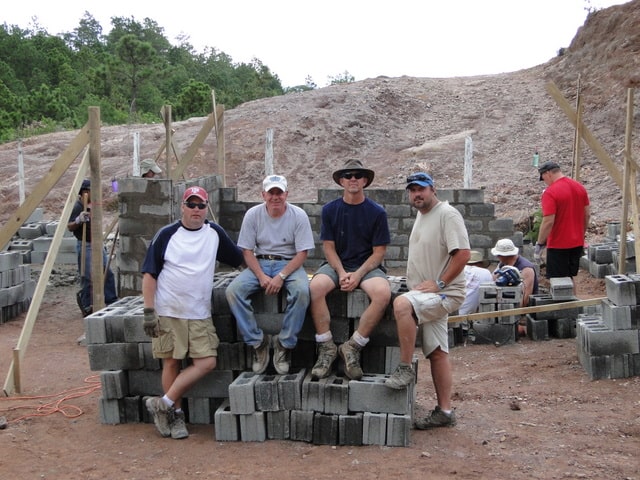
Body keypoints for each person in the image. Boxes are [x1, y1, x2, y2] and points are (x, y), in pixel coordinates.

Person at [141, 185, 243, 440]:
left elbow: (239, 259)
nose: (196, 210)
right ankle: (175, 417)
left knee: (207, 362)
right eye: (191, 204)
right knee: (171, 361)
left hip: (199, 311)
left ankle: (161, 404)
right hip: (169, 309)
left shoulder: (214, 233)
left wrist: (267, 271)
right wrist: (148, 311)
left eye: (201, 205)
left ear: (206, 208)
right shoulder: (167, 235)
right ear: (182, 207)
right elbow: (149, 273)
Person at [385, 172, 470, 431]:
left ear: (433, 189)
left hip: (443, 293)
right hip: (427, 294)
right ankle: (445, 411)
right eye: (412, 190)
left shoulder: (447, 214)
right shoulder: (422, 216)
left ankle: (405, 368)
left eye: (421, 189)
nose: (416, 194)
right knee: (437, 352)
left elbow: (463, 254)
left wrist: (440, 282)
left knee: (401, 305)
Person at [309, 159, 391, 381]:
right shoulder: (330, 210)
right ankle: (326, 347)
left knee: (383, 294)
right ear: (341, 181)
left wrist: (357, 275)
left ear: (365, 180)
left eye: (357, 175)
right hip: (338, 264)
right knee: (315, 287)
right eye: (348, 175)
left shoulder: (376, 213)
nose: (352, 179)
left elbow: (378, 253)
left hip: (366, 266)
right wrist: (342, 272)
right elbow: (328, 247)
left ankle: (353, 346)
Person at [225, 174, 315, 375]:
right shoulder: (253, 215)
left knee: (302, 291)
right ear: (263, 194)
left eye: (279, 193)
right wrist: (261, 276)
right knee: (233, 291)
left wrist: (281, 276)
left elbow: (302, 253)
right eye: (271, 193)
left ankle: (284, 344)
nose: (276, 197)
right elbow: (247, 250)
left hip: (289, 263)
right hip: (261, 262)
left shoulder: (298, 215)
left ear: (287, 194)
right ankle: (258, 343)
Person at [535, 161, 590, 292]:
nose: (545, 182)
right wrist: (581, 235)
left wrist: (540, 243)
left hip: (559, 244)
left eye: (543, 179)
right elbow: (587, 215)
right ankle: (574, 308)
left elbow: (548, 221)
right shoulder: (579, 187)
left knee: (559, 282)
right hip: (576, 242)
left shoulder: (550, 192)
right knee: (570, 278)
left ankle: (565, 310)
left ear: (547, 174)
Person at [67, 179, 118, 316]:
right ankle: (86, 304)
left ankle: (111, 301)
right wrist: (78, 220)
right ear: (85, 192)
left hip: (97, 243)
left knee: (107, 272)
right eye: (91, 190)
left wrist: (115, 187)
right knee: (87, 276)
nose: (95, 193)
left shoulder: (93, 204)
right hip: (85, 244)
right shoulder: (78, 206)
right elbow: (69, 226)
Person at [491, 238, 538, 308]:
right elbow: (492, 279)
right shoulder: (503, 264)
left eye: (498, 255)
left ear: (503, 255)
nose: (497, 257)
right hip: (505, 303)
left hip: (522, 309)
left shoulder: (526, 269)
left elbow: (525, 298)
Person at [458, 250, 493, 316]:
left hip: (449, 312)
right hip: (469, 315)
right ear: (480, 263)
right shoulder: (486, 272)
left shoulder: (457, 270)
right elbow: (488, 296)